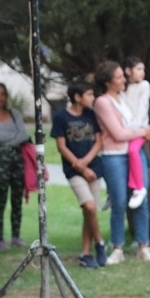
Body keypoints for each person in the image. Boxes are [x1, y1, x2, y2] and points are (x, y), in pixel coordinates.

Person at [93, 60, 150, 264]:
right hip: (114, 155)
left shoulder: (123, 97)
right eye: (119, 77)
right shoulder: (103, 102)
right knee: (119, 201)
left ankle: (143, 246)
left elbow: (134, 122)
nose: (124, 80)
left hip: (134, 153)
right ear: (108, 82)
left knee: (141, 198)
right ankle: (117, 247)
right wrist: (143, 132)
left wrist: (141, 131)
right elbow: (118, 133)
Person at [50, 79, 107, 269]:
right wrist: (80, 166)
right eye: (89, 94)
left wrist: (87, 162)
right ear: (77, 97)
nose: (93, 98)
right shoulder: (61, 117)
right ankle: (100, 242)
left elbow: (98, 141)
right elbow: (61, 146)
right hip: (73, 170)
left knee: (90, 212)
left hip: (94, 167)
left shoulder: (91, 114)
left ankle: (85, 254)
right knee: (89, 206)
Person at [0, 82, 29, 250]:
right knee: (1, 200)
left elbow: (24, 135)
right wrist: (13, 138)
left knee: (17, 199)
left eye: (3, 94)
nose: (0, 97)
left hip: (17, 160)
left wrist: (8, 140)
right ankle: (0, 239)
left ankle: (16, 236)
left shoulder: (14, 114)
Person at [120, 56, 150, 210]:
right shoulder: (122, 89)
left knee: (133, 151)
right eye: (138, 69)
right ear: (128, 71)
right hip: (127, 129)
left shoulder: (144, 86)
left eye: (143, 69)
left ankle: (139, 187)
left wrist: (136, 128)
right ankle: (114, 193)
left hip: (140, 129)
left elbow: (142, 109)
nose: (142, 72)